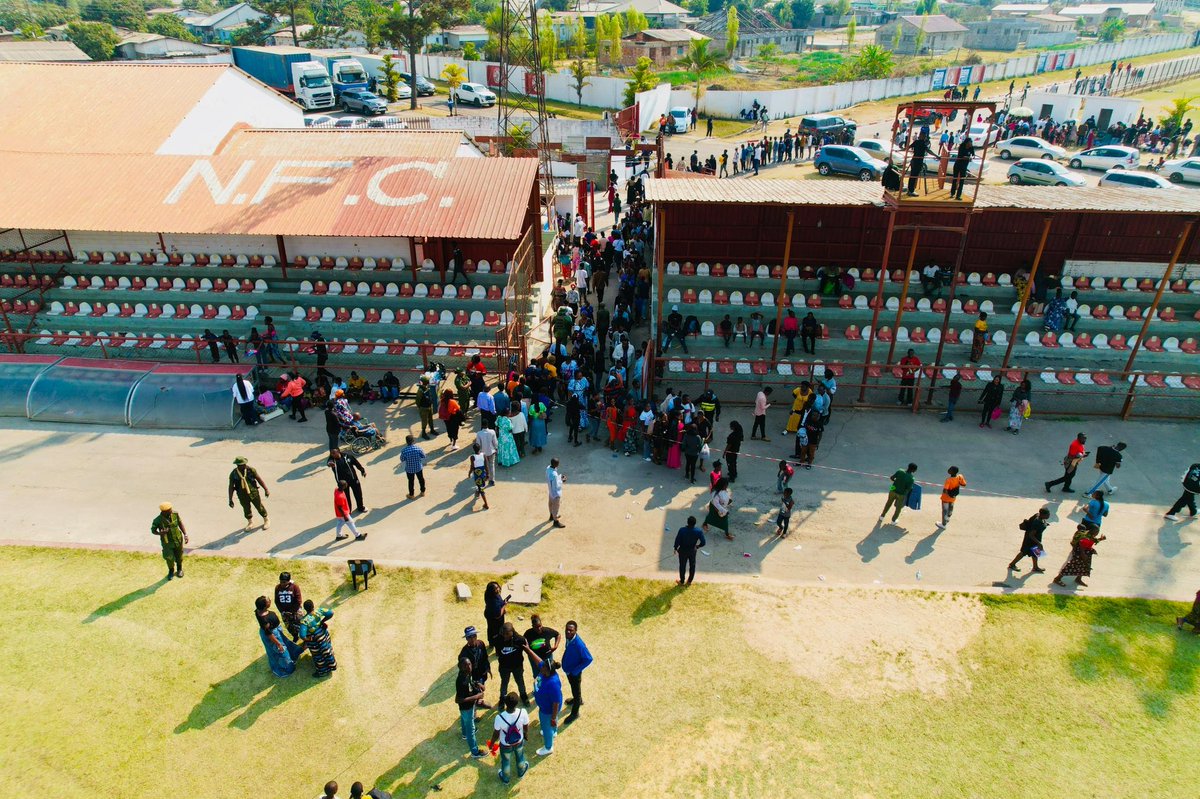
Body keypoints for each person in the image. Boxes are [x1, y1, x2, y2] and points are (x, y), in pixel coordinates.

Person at [524, 644, 562, 757]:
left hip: (548, 711)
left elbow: (556, 702)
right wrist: (528, 650)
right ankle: (554, 731)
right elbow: (538, 661)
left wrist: (553, 717)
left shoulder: (553, 683)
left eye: (543, 667)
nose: (541, 667)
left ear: (547, 670)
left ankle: (548, 747)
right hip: (544, 706)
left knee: (546, 729)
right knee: (550, 727)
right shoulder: (546, 669)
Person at [255, 595, 302, 678]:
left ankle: (293, 655)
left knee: (285, 644)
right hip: (273, 636)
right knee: (280, 653)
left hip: (275, 632)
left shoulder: (258, 611)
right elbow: (269, 634)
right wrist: (278, 644)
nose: (270, 600)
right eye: (268, 601)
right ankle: (286, 668)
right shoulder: (265, 621)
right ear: (264, 606)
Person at [489, 692, 530, 785]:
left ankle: (506, 778)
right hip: (519, 741)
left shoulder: (499, 717)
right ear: (517, 703)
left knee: (506, 761)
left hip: (505, 744)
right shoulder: (522, 712)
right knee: (520, 757)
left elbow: (496, 733)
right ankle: (521, 771)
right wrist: (526, 734)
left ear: (506, 703)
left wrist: (491, 743)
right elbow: (526, 725)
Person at [456, 653, 490, 760]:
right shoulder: (462, 681)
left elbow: (470, 685)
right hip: (466, 708)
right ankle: (475, 752)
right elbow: (458, 699)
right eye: (465, 666)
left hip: (465, 708)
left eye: (469, 664)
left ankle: (464, 733)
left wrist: (476, 684)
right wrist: (477, 696)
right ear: (460, 667)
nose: (469, 667)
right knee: (471, 729)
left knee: (463, 719)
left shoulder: (467, 674)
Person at [1052, 524, 1105, 588]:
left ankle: (1078, 579)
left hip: (1085, 553)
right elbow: (1081, 549)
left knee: (1083, 566)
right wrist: (1084, 557)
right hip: (1079, 554)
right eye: (1097, 532)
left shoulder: (1089, 534)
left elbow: (1093, 540)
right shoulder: (1085, 538)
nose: (1097, 533)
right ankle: (1057, 579)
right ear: (1093, 531)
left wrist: (1101, 539)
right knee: (1071, 566)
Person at [228, 456, 270, 532]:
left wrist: (266, 489)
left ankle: (266, 519)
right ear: (237, 465)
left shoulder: (250, 470)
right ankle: (250, 522)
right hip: (242, 495)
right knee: (246, 509)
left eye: (244, 464)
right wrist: (230, 499)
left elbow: (259, 479)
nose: (244, 466)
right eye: (241, 465)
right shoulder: (233, 474)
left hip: (254, 493)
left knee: (259, 506)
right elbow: (231, 487)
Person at [560, 620, 592, 720]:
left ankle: (575, 713)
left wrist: (575, 671)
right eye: (567, 630)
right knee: (574, 690)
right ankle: (577, 699)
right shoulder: (569, 638)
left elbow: (588, 659)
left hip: (574, 674)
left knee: (576, 691)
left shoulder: (579, 644)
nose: (568, 632)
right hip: (569, 670)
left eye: (571, 630)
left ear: (575, 631)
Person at [297, 599, 337, 677]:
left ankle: (322, 672)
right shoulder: (319, 611)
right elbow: (331, 613)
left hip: (315, 640)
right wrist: (322, 621)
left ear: (305, 609)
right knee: (327, 648)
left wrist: (308, 639)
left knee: (319, 656)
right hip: (323, 634)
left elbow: (302, 635)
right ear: (313, 606)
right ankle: (331, 663)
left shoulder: (304, 621)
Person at [494, 622, 529, 705]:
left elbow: (527, 650)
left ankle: (523, 696)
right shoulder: (498, 639)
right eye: (503, 634)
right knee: (504, 683)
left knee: (520, 681)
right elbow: (498, 652)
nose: (505, 636)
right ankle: (502, 699)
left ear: (512, 632)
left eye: (507, 634)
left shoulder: (520, 640)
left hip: (517, 666)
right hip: (504, 667)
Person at [151, 502, 187, 580]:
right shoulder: (157, 520)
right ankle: (171, 571)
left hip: (178, 539)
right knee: (169, 558)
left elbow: (180, 523)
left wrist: (185, 534)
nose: (171, 511)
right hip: (167, 543)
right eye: (170, 510)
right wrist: (160, 533)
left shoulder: (175, 514)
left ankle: (179, 569)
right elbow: (153, 531)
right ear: (164, 511)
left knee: (179, 556)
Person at [1008, 507, 1050, 573]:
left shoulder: (1039, 516)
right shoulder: (1037, 523)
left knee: (1035, 553)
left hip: (1036, 539)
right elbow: (1031, 535)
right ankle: (1012, 564)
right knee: (1023, 552)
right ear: (1042, 515)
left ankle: (1035, 567)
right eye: (1047, 514)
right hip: (1030, 540)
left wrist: (1045, 524)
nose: (1049, 516)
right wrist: (1039, 543)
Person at [328, 448, 367, 514]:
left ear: (338, 452)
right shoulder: (332, 461)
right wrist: (330, 464)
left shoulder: (348, 456)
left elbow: (356, 463)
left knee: (358, 494)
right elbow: (329, 463)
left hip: (353, 479)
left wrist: (362, 470)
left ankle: (360, 507)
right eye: (331, 454)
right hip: (343, 483)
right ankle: (348, 511)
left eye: (334, 453)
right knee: (346, 497)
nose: (332, 455)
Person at [674, 515, 706, 586]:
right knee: (692, 565)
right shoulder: (698, 531)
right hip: (692, 550)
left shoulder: (682, 530)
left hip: (682, 550)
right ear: (695, 523)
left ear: (687, 522)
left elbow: (677, 540)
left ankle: (682, 581)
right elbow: (703, 542)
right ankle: (689, 581)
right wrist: (697, 546)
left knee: (682, 566)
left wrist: (675, 548)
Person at [274, 571, 304, 641]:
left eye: (284, 582)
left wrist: (292, 612)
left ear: (289, 581)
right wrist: (282, 611)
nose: (282, 584)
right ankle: (295, 636)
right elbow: (276, 601)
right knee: (289, 627)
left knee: (301, 624)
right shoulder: (277, 588)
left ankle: (305, 637)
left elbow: (298, 601)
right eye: (281, 581)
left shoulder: (295, 587)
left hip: (296, 611)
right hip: (284, 612)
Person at [949, 135, 975, 200]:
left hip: (964, 166)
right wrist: (968, 157)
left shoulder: (971, 148)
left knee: (962, 181)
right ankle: (952, 193)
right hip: (958, 165)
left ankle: (958, 195)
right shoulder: (962, 146)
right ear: (967, 142)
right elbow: (961, 155)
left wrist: (971, 157)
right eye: (970, 142)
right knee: (955, 179)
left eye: (971, 143)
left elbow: (973, 155)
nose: (971, 144)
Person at [467, 441, 491, 511]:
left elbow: (472, 467)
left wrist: (469, 473)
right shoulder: (483, 455)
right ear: (480, 448)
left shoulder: (472, 457)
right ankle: (478, 491)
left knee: (481, 489)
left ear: (473, 449)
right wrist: (488, 474)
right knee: (480, 486)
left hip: (477, 475)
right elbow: (486, 466)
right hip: (483, 473)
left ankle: (486, 504)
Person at [483, 581, 508, 646]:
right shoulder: (494, 601)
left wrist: (502, 604)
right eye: (496, 589)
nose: (498, 589)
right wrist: (504, 605)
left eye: (497, 587)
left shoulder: (488, 594)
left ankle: (491, 643)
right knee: (496, 632)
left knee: (490, 629)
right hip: (495, 619)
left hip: (489, 614)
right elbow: (498, 615)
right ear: (492, 591)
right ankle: (496, 645)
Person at [547, 458, 566, 528]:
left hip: (550, 491)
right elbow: (556, 485)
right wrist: (562, 480)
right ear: (556, 465)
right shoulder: (554, 475)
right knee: (556, 507)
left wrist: (559, 477)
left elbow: (552, 480)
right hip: (555, 493)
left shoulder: (548, 468)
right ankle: (556, 521)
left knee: (550, 504)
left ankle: (551, 515)